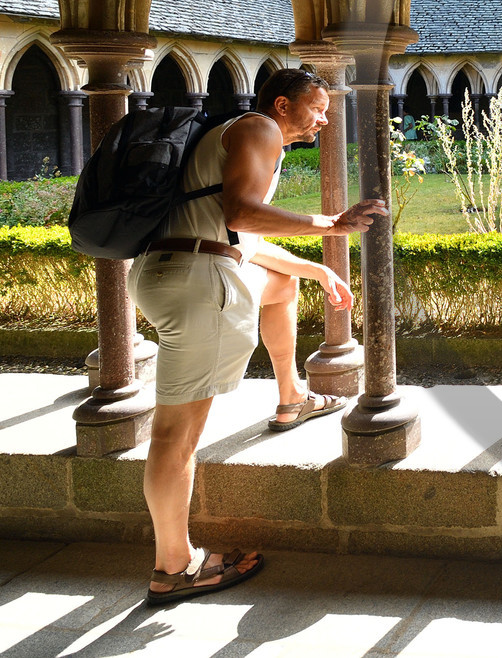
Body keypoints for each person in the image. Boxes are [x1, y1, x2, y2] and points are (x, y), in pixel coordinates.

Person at [131, 68, 386, 606]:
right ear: (282, 104)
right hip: (200, 283)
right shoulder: (260, 129)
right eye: (316, 108)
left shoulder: (227, 135)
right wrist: (331, 223)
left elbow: (239, 239)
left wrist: (318, 270)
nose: (323, 118)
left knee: (281, 285)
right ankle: (174, 567)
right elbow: (242, 213)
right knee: (175, 438)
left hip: (166, 271)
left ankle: (291, 395)